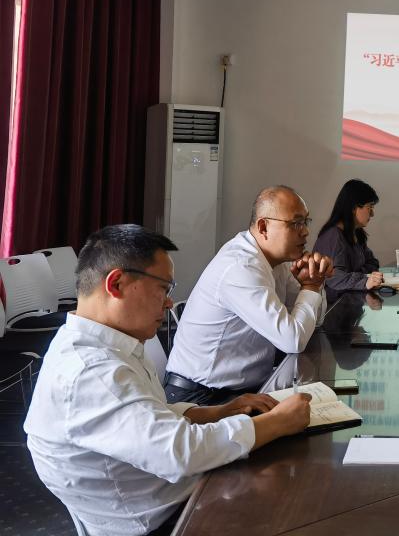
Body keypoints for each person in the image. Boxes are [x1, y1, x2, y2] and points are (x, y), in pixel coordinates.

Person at [24, 225, 312, 536]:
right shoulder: (92, 372)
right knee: (299, 496)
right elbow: (180, 452)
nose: (169, 303)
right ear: (117, 284)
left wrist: (218, 412)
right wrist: (278, 422)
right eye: (163, 288)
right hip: (163, 520)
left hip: (167, 494)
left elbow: (145, 416)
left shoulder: (101, 344)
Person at [164, 185, 332, 405]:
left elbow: (314, 321)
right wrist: (310, 286)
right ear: (263, 227)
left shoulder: (277, 261)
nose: (305, 232)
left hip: (241, 391)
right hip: (201, 397)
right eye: (296, 223)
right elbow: (293, 340)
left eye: (306, 222)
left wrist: (314, 281)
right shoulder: (241, 267)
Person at [313, 179, 384, 300]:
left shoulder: (356, 232)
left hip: (352, 301)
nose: (372, 214)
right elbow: (334, 278)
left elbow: (373, 262)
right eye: (369, 207)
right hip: (334, 306)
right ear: (353, 208)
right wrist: (364, 280)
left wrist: (357, 274)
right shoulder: (333, 236)